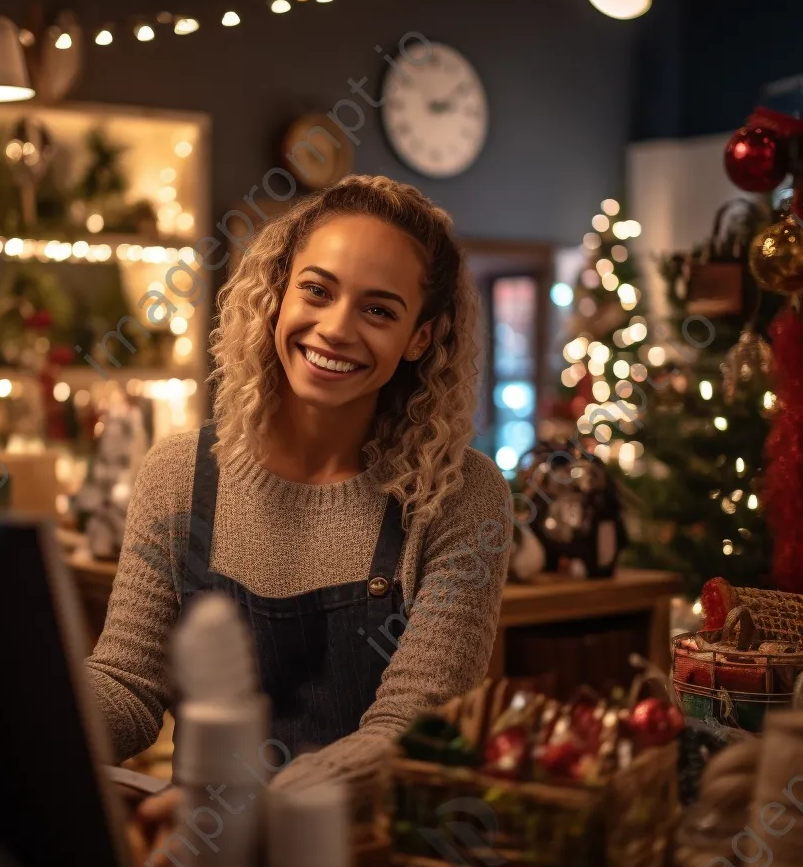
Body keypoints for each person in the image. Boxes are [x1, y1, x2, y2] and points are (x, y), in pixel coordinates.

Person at [87, 175, 511, 801]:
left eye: (378, 310)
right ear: (279, 293)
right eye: (317, 290)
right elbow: (128, 686)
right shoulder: (180, 474)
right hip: (192, 863)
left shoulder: (459, 497)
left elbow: (409, 731)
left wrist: (249, 815)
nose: (336, 329)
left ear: (420, 337)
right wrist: (32, 718)